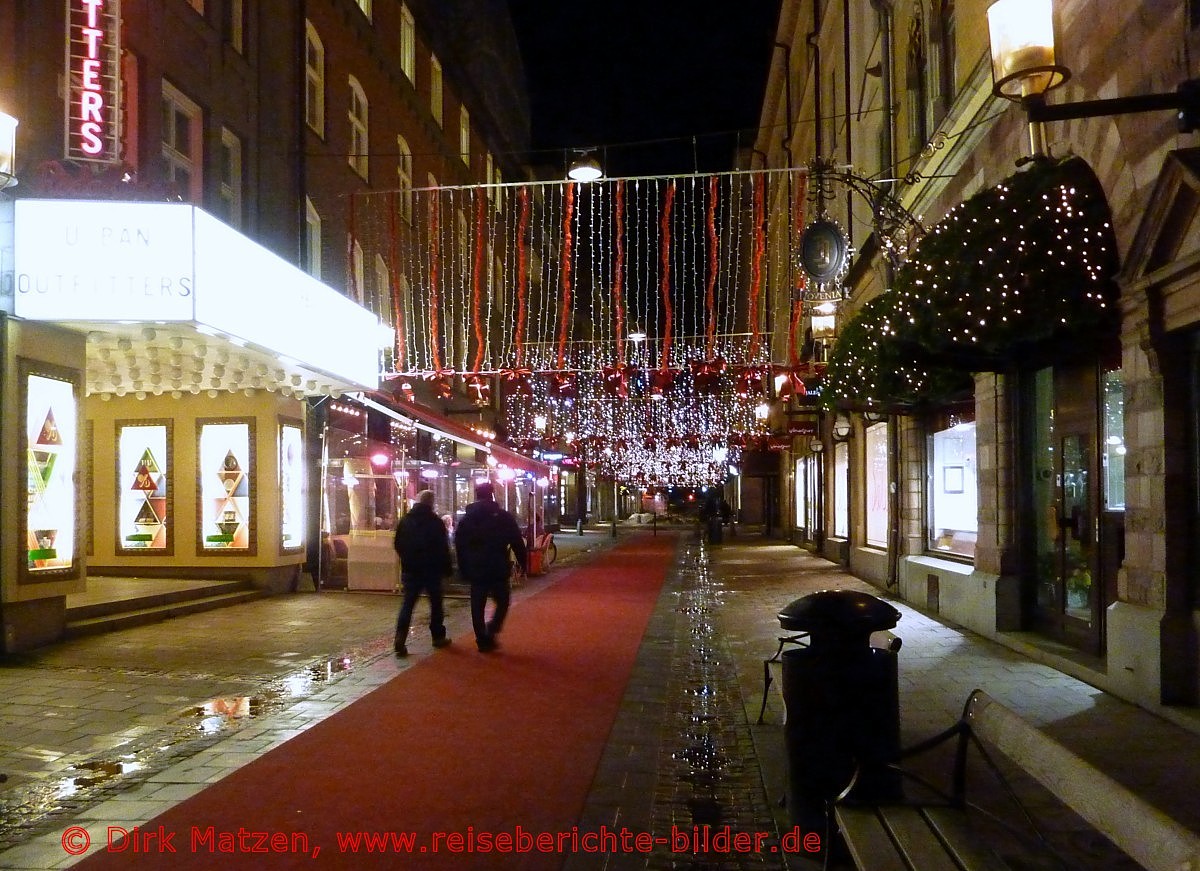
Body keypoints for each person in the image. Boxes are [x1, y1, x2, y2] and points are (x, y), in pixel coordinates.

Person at [454, 481, 527, 652]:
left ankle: (481, 637)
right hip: (497, 565)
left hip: (476, 566)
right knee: (503, 600)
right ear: (492, 494)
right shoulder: (502, 516)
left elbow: (459, 544)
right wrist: (524, 563)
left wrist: (462, 566)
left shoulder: (467, 518)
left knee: (477, 604)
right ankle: (492, 629)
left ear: (477, 495)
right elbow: (516, 540)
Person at [392, 490, 453, 656]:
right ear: (431, 504)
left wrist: (407, 558)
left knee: (408, 605)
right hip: (432, 570)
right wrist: (447, 569)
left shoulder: (405, 521)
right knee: (436, 604)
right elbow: (443, 548)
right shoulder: (435, 522)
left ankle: (400, 637)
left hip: (411, 569)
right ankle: (437, 636)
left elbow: (398, 543)